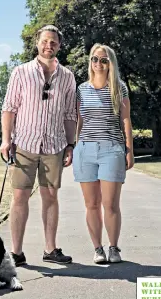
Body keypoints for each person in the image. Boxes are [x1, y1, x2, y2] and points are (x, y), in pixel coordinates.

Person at [0, 25, 77, 266]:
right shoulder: (21, 72)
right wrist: (5, 139)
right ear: (38, 43)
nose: (49, 46)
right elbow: (9, 108)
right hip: (24, 143)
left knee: (51, 196)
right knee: (20, 196)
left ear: (59, 46)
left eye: (53, 42)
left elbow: (69, 113)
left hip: (54, 145)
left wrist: (70, 144)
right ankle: (16, 252)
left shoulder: (67, 76)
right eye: (45, 41)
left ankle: (50, 249)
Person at [73, 43, 134, 264]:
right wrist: (74, 146)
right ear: (90, 62)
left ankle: (114, 248)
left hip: (111, 148)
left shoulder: (119, 87)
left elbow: (125, 120)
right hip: (85, 150)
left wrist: (130, 150)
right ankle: (98, 249)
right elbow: (79, 120)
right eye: (95, 59)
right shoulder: (81, 89)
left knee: (110, 204)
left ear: (111, 63)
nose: (98, 63)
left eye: (103, 60)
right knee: (91, 204)